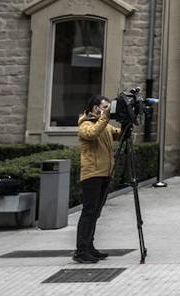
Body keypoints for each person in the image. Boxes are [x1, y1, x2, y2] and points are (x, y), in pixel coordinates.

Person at [75, 95, 120, 263]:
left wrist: (127, 121)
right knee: (89, 212)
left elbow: (118, 134)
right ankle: (81, 250)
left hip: (104, 174)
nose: (107, 109)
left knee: (96, 213)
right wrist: (106, 117)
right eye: (104, 106)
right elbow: (92, 134)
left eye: (109, 107)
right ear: (95, 108)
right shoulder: (85, 124)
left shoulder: (105, 125)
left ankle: (89, 246)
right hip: (92, 174)